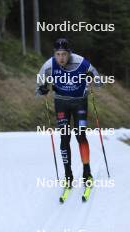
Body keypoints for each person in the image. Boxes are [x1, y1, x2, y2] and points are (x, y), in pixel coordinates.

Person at [36, 38, 102, 188]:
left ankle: (87, 172)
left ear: (69, 53)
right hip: (61, 104)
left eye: (64, 54)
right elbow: (39, 85)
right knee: (64, 138)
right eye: (58, 54)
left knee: (80, 135)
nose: (61, 58)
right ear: (55, 54)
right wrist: (42, 89)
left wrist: (92, 79)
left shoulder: (81, 63)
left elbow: (99, 81)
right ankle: (68, 175)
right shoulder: (49, 65)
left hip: (80, 102)